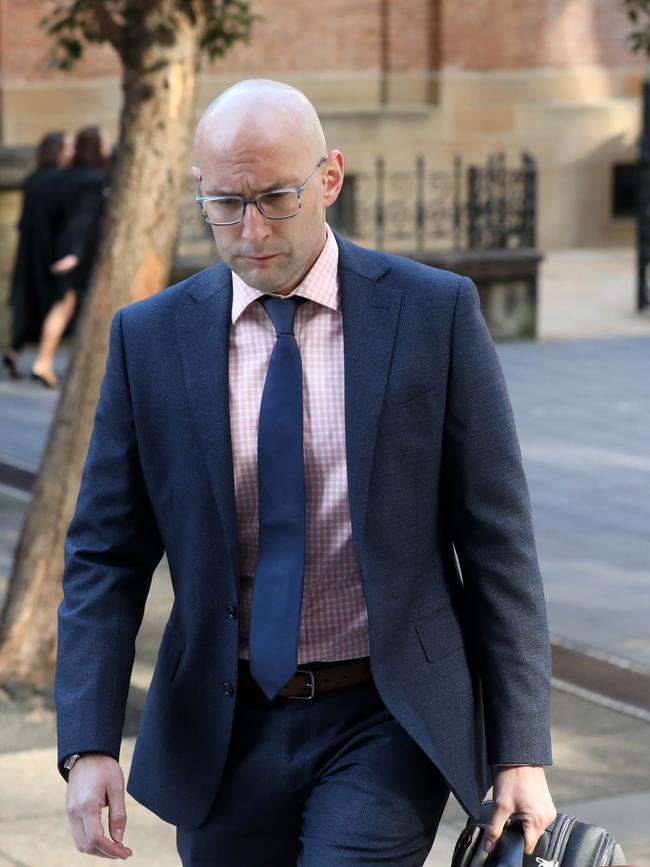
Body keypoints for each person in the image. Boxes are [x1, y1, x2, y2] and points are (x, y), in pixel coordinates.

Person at [55, 79, 556, 865]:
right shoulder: (148, 339)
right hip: (221, 726)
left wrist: (521, 749)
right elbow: (104, 557)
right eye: (225, 202)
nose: (250, 230)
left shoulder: (434, 314)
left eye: (276, 197)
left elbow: (498, 543)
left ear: (331, 177)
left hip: (385, 715)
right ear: (198, 190)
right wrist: (88, 744)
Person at [30, 125, 112, 388]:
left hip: (71, 249)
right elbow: (82, 219)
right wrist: (73, 253)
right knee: (65, 305)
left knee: (69, 305)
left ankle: (47, 360)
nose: (109, 143)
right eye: (104, 139)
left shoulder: (69, 176)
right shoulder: (92, 179)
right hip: (78, 253)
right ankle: (43, 361)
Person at [2, 131, 74, 380]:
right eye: (67, 146)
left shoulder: (33, 178)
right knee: (57, 302)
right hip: (52, 251)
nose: (71, 151)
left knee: (26, 301)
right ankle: (45, 360)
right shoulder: (62, 179)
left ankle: (15, 350)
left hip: (29, 249)